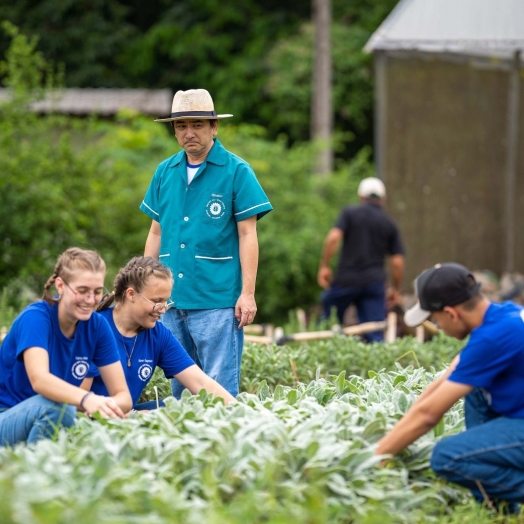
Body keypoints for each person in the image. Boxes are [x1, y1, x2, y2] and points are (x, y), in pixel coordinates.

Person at [140, 88, 272, 399]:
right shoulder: (165, 172)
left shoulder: (236, 171)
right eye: (181, 126)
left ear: (214, 127)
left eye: (198, 124)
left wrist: (248, 294)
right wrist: (147, 287)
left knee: (219, 392)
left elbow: (247, 234)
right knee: (180, 390)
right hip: (171, 300)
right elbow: (156, 233)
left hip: (217, 300)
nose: (189, 133)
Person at [376, 263, 524, 513]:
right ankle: (497, 510)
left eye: (435, 319)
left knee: (447, 456)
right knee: (476, 391)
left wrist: (375, 458)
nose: (439, 327)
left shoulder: (494, 337)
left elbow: (428, 415)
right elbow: (444, 382)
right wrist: (397, 431)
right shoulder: (504, 315)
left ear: (451, 313)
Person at [0, 248, 132, 446]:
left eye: (97, 292)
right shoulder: (35, 318)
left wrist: (103, 405)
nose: (90, 300)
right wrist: (87, 399)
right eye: (82, 291)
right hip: (7, 416)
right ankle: (32, 472)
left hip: (54, 414)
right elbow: (40, 380)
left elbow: (123, 396)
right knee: (59, 408)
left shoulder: (97, 325)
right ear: (60, 285)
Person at [84, 256, 236, 408]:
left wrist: (244, 412)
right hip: (89, 416)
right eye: (157, 301)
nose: (163, 309)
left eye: (166, 301)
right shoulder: (92, 328)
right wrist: (133, 416)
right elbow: (80, 400)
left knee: (184, 405)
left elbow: (200, 382)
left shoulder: (158, 334)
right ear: (131, 294)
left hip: (126, 414)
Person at [317, 176, 405, 342]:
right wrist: (396, 289)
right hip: (374, 283)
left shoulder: (350, 213)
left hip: (346, 280)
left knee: (328, 326)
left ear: (361, 197)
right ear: (383, 199)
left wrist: (325, 266)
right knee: (375, 332)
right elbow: (397, 262)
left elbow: (333, 238)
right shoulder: (389, 223)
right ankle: (378, 366)